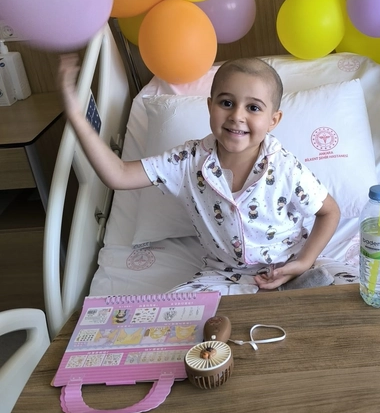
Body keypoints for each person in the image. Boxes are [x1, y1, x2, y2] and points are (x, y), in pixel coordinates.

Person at [58, 54, 341, 293]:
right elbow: (118, 174)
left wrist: (304, 262)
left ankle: (296, 287)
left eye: (253, 108)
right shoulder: (187, 161)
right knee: (178, 311)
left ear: (273, 120)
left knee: (343, 286)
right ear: (210, 106)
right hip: (224, 274)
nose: (237, 116)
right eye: (226, 103)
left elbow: (329, 212)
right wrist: (75, 116)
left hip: (287, 265)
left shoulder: (285, 167)